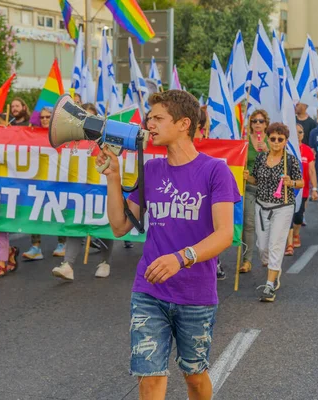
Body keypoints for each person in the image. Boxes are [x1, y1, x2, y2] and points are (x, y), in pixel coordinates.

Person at [97, 90, 239, 399]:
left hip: (196, 293)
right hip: (149, 291)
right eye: (149, 118)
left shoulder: (216, 171)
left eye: (158, 118)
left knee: (194, 376)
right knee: (148, 378)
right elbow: (120, 226)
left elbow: (224, 234)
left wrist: (181, 258)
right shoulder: (151, 170)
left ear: (184, 123)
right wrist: (112, 178)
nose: (149, 124)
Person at [245, 123, 303, 302]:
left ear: (285, 141)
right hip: (261, 206)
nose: (276, 142)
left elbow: (301, 182)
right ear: (268, 139)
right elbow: (255, 180)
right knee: (263, 247)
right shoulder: (261, 158)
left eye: (280, 139)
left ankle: (269, 286)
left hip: (282, 207)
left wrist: (291, 183)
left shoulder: (290, 160)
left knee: (276, 245)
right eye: (273, 139)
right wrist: (247, 177)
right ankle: (273, 268)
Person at [24, 106, 66, 259]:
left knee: (58, 213)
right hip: (38, 181)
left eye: (48, 117)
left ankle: (62, 243)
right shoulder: (33, 135)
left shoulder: (61, 136)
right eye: (42, 117)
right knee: (35, 213)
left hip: (57, 181)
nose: (44, 120)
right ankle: (35, 247)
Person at [239, 110, 269, 273]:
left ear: (266, 124)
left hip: (267, 189)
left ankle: (267, 256)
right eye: (254, 121)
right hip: (249, 186)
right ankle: (247, 261)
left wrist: (266, 150)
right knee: (249, 224)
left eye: (261, 121)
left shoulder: (272, 140)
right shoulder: (245, 142)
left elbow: (277, 163)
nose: (257, 124)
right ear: (250, 123)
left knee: (266, 224)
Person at [285, 124, 318, 255]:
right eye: (295, 132)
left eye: (300, 132)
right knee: (288, 216)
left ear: (303, 134)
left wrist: (314, 188)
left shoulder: (307, 150)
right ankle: (289, 244)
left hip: (302, 190)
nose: (298, 134)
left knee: (298, 216)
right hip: (287, 189)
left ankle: (296, 234)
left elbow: (311, 170)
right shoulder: (286, 149)